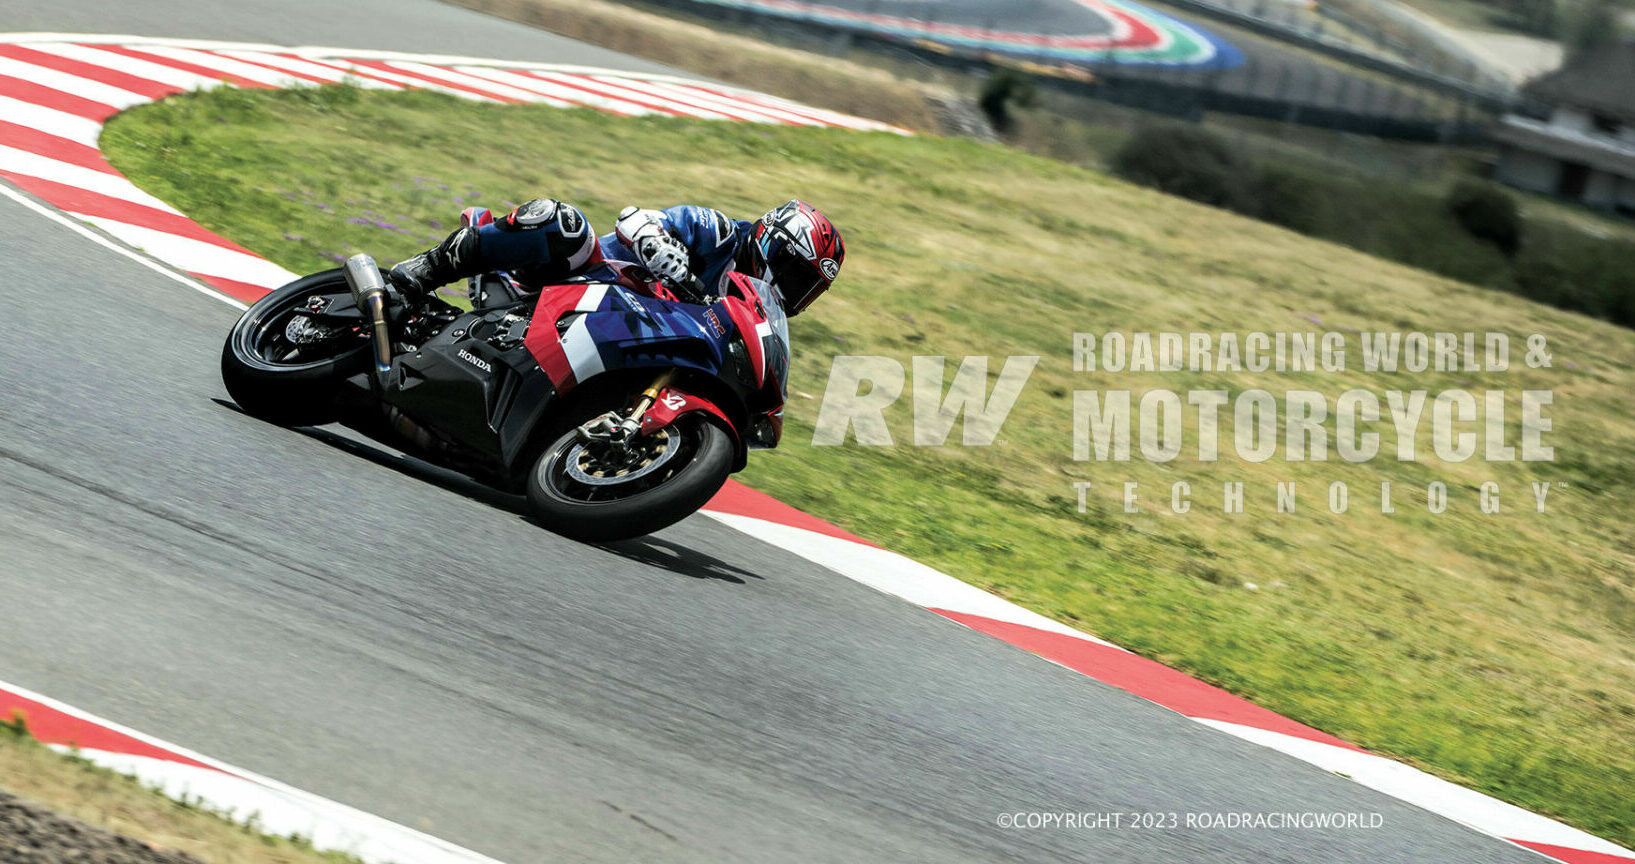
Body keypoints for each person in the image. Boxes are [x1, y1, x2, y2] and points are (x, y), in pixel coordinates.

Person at [387, 198, 844, 315]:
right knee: (561, 222)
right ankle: (428, 267)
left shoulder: (754, 311)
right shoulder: (720, 232)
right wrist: (661, 250)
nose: (793, 292)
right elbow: (636, 218)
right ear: (773, 243)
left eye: (806, 289)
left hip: (620, 331)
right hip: (579, 279)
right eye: (793, 274)